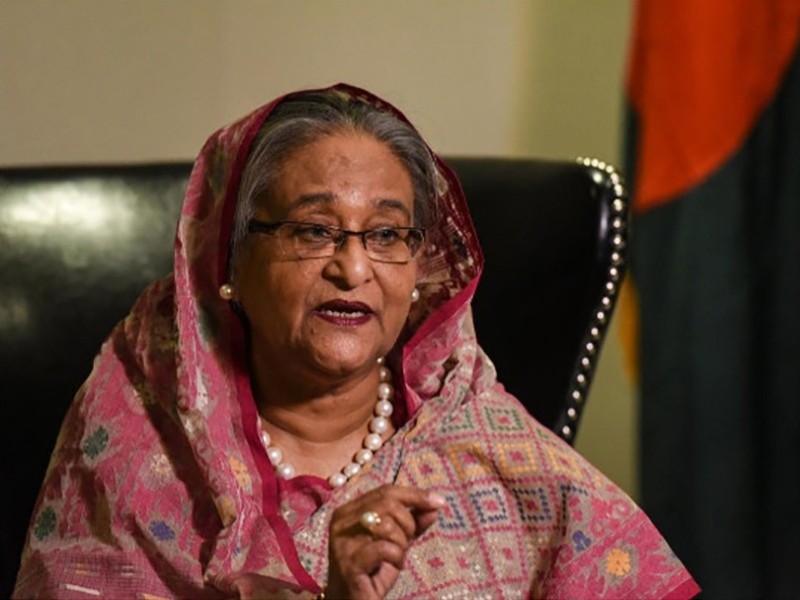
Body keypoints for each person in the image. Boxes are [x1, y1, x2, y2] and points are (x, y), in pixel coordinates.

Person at [14, 84, 699, 599]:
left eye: (387, 235)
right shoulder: (135, 438)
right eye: (313, 230)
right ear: (227, 262)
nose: (354, 268)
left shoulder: (493, 454)